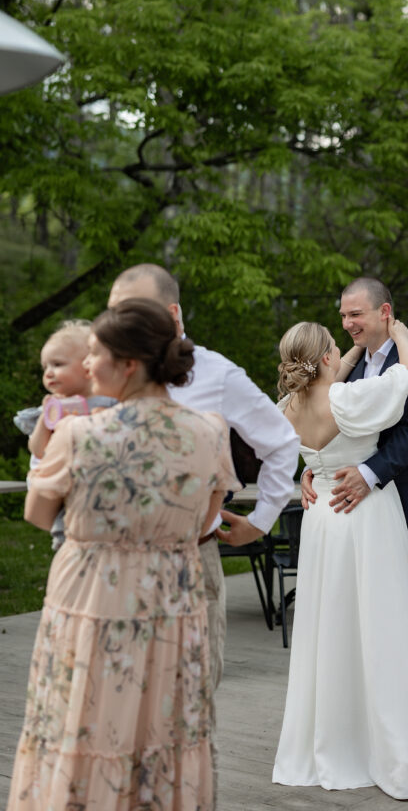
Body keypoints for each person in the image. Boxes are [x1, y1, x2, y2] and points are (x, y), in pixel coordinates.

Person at [7, 298, 240, 811]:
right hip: (173, 604)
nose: (86, 364)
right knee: (161, 728)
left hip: (93, 602)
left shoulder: (78, 434)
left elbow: (38, 515)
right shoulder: (210, 431)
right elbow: (206, 520)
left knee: (84, 720)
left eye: (95, 354)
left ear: (128, 364)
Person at [107, 264, 300, 806]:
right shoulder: (107, 372)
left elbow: (282, 442)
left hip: (191, 565)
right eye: (114, 312)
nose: (119, 323)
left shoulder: (215, 374)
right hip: (115, 571)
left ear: (171, 315)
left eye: (133, 312)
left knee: (187, 706)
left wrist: (261, 520)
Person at [272, 318, 408, 799]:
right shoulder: (350, 400)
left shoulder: (287, 406)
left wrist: (310, 471)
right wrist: (405, 338)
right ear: (328, 357)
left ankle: (334, 738)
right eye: (335, 345)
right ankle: (383, 745)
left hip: (322, 520)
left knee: (330, 629)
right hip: (365, 518)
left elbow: (290, 448)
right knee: (381, 625)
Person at [301, 277, 408, 776]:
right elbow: (323, 423)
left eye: (357, 315)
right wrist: (312, 467)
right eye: (343, 316)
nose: (348, 324)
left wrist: (369, 476)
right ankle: (380, 727)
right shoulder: (341, 368)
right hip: (359, 516)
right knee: (367, 618)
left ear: (384, 312)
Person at [13, 319, 115, 551]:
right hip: (60, 495)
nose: (49, 373)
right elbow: (38, 449)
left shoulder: (108, 403)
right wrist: (43, 420)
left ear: (89, 365)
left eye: (58, 364)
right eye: (45, 367)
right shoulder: (49, 407)